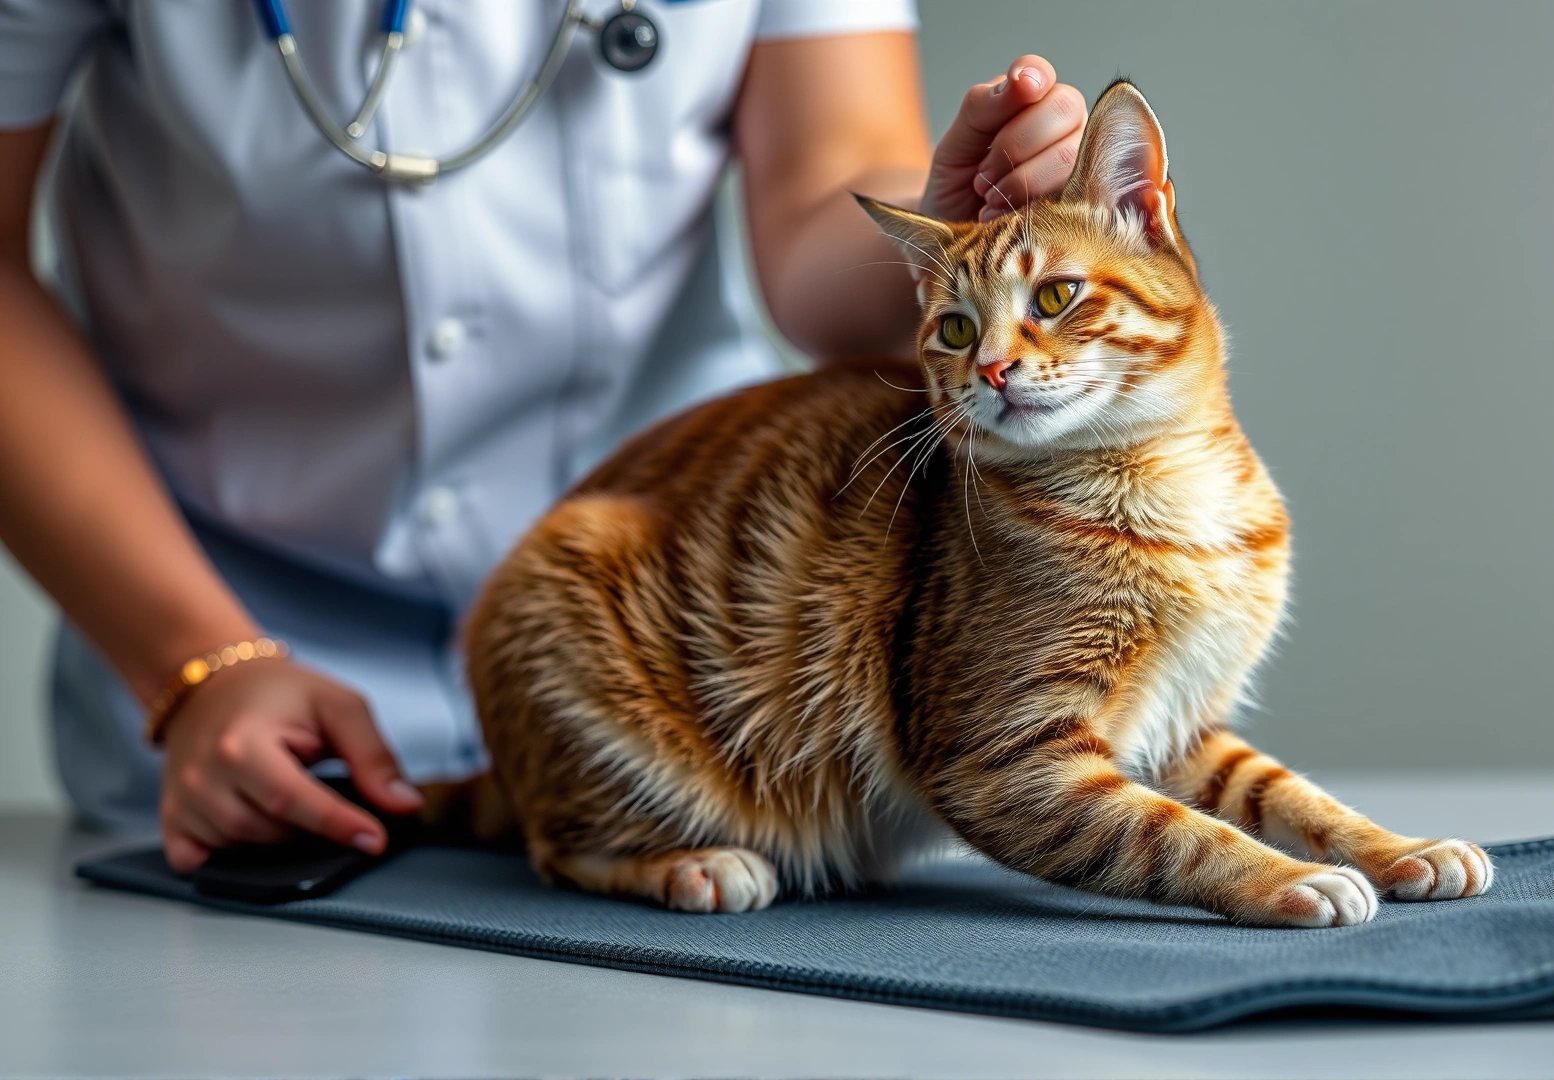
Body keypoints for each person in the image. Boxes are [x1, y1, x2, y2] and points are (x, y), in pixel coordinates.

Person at [0, 1, 1087, 873]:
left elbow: (822, 192)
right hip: (244, 687)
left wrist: (952, 233)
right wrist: (197, 662)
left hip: (695, 674)